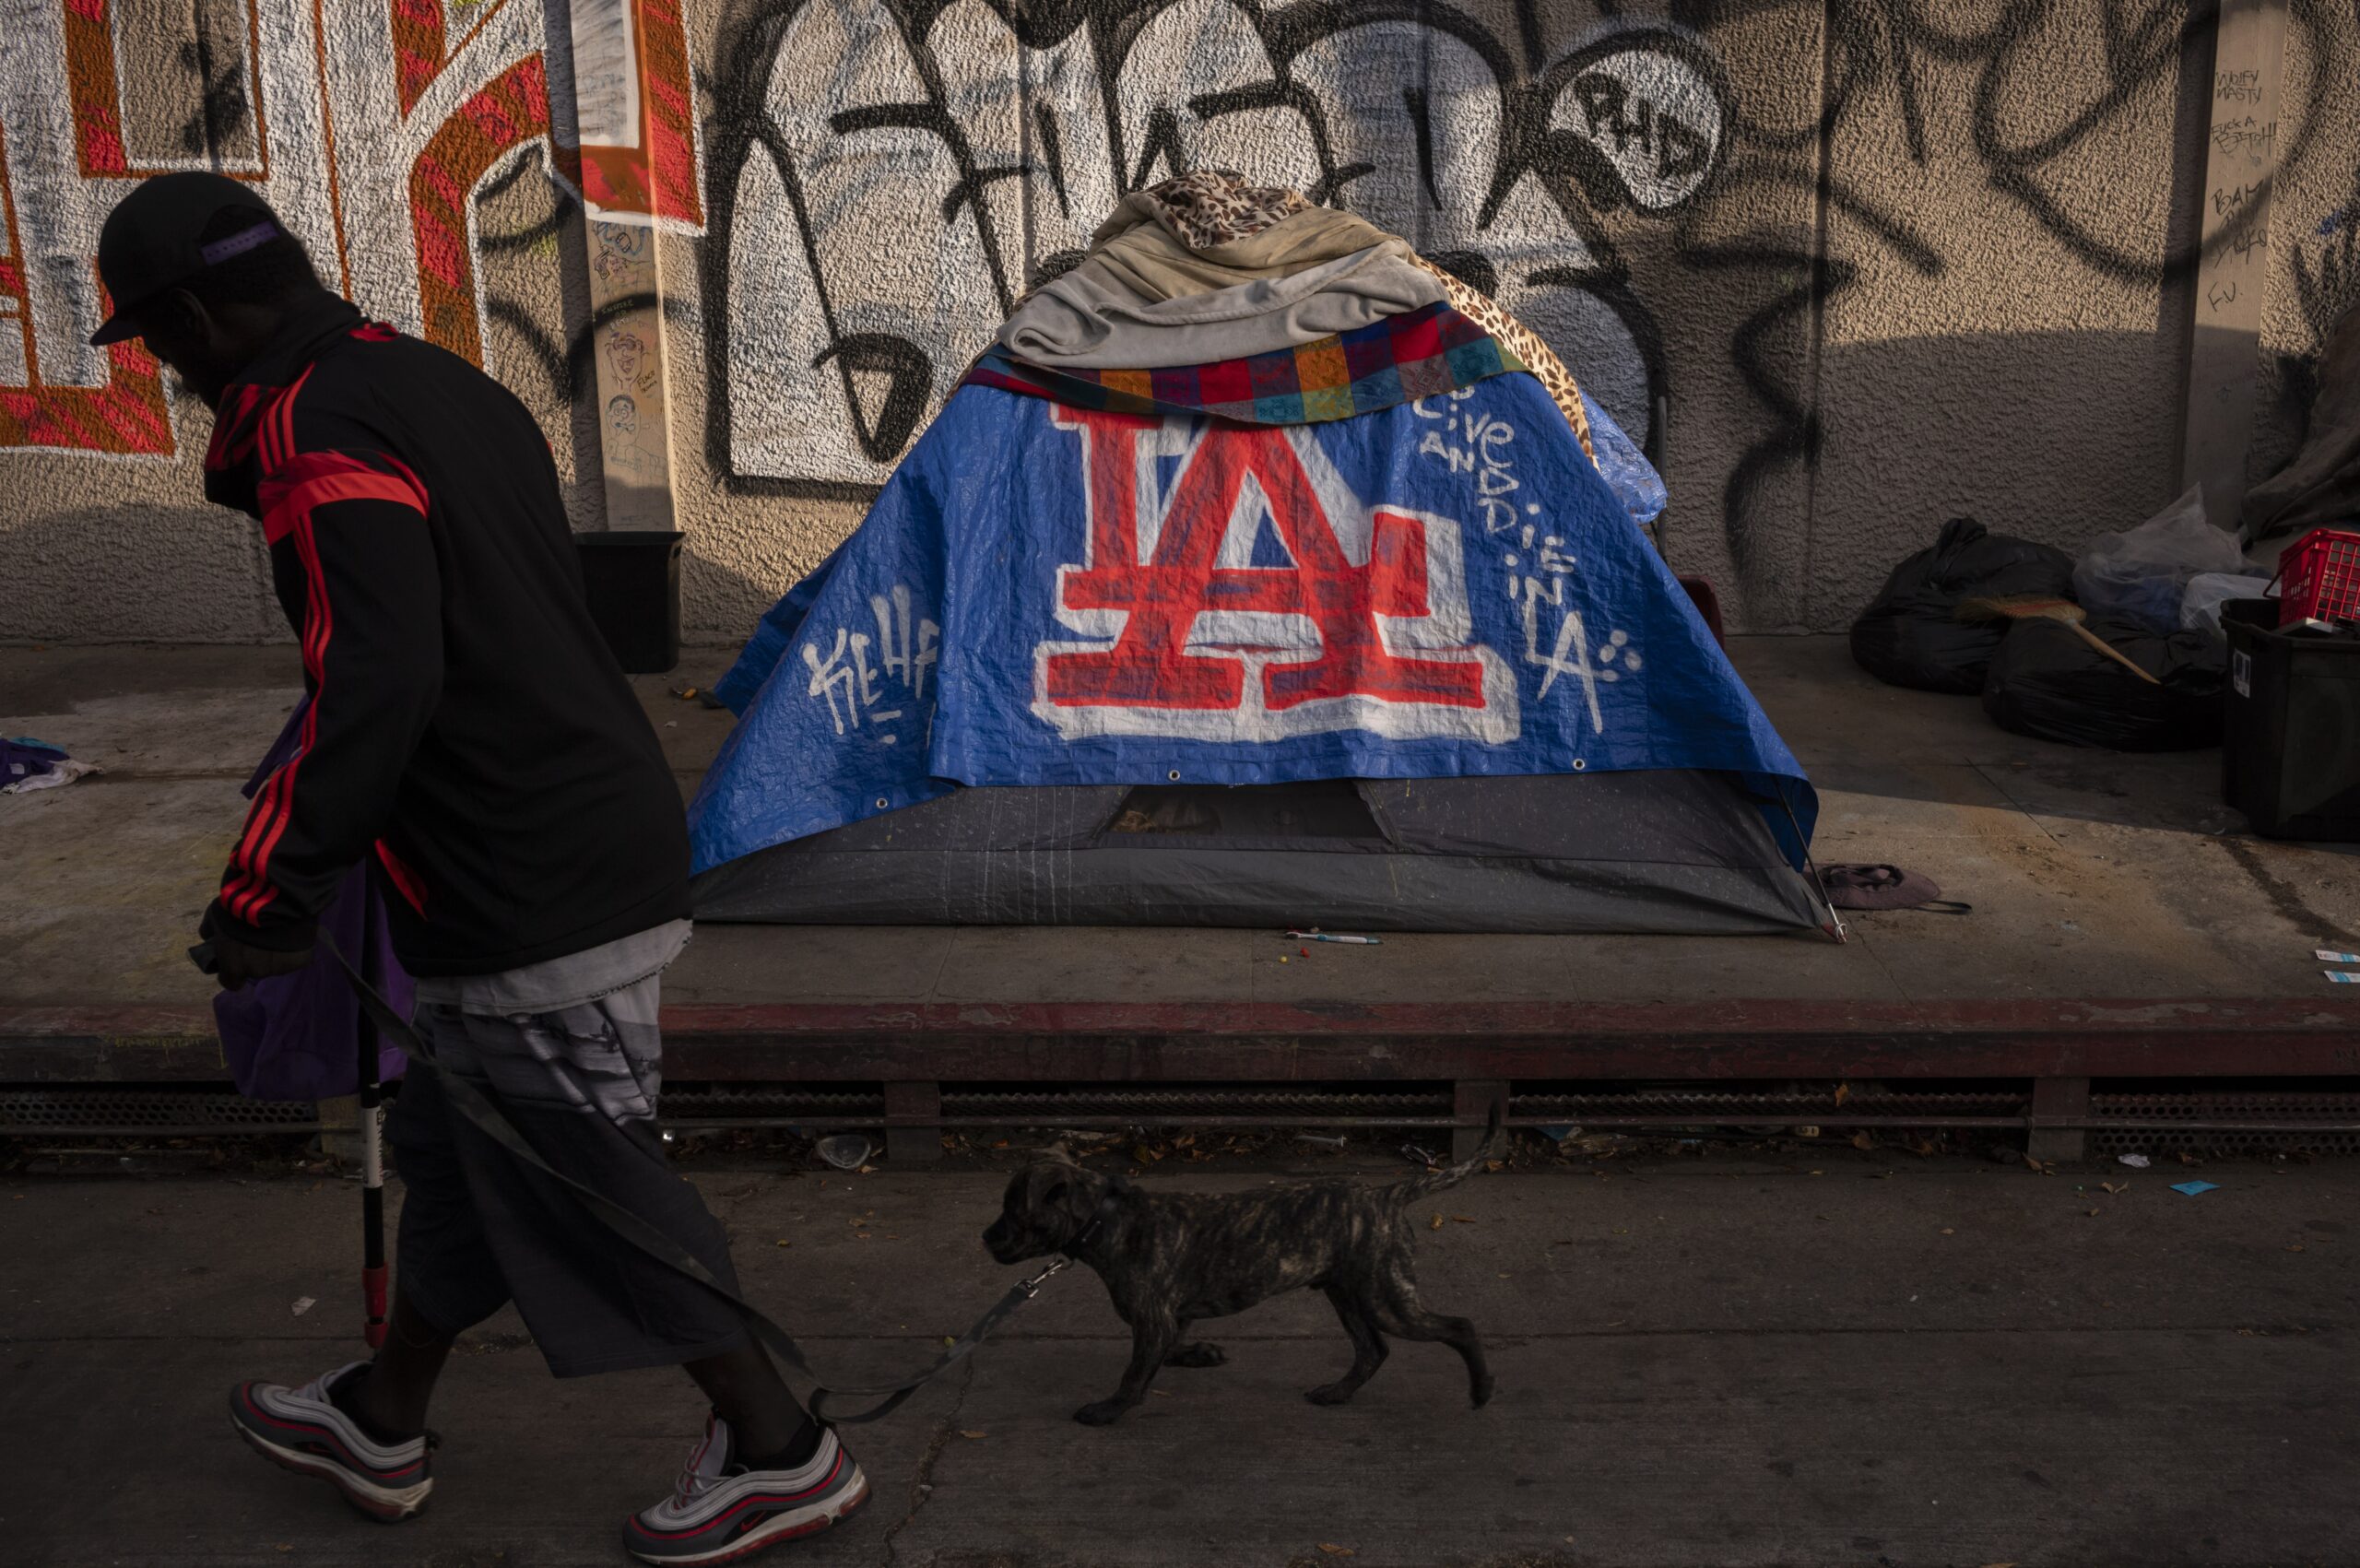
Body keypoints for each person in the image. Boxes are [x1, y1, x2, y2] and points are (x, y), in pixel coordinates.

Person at [89, 172, 867, 1562]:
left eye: (158, 340)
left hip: (530, 875)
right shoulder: (421, 381)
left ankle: (779, 1446)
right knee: (457, 1153)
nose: (167, 370)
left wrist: (273, 889)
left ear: (201, 316)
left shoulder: (315, 432)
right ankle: (382, 1414)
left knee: (581, 1170)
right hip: (531, 843)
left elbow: (373, 676)